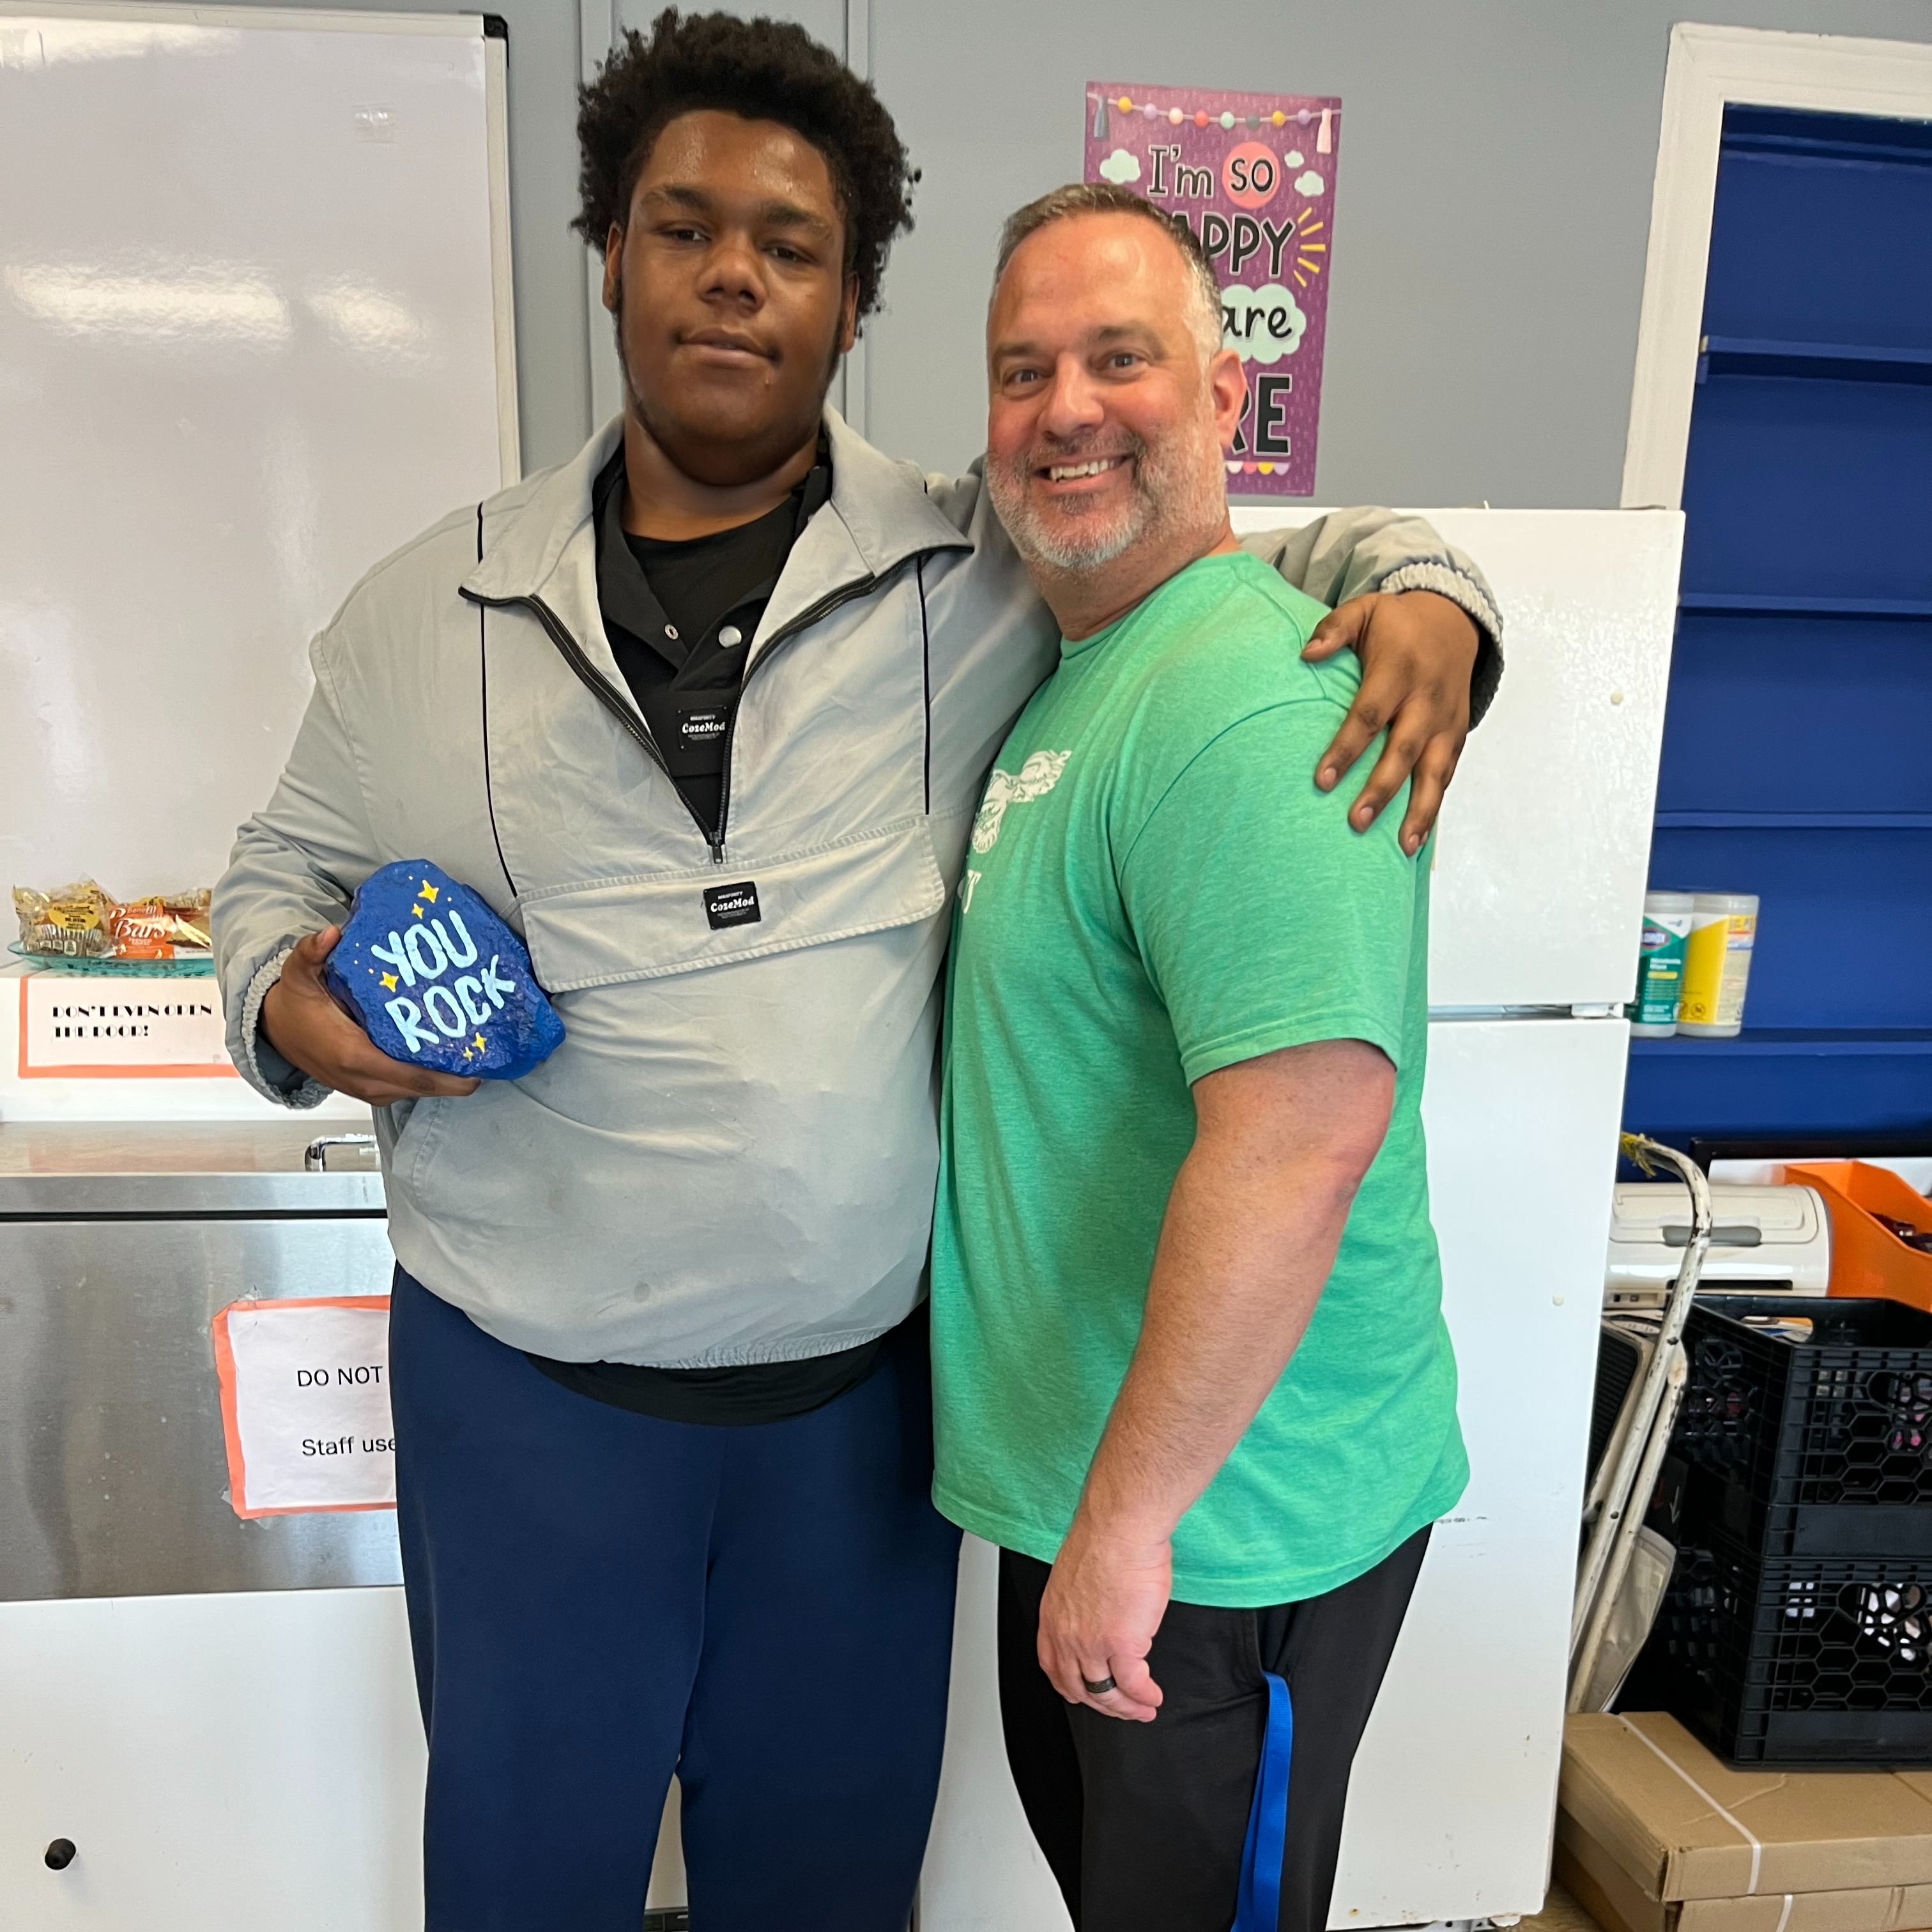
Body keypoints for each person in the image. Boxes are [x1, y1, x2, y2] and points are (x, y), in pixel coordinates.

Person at [210, 15, 1497, 1932]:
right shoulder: (427, 611)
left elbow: (1237, 557)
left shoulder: (976, 561)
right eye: (682, 228)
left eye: (791, 245)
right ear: (616, 257)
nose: (734, 275)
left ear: (851, 298)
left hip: (864, 1425)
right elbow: (268, 877)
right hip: (526, 1404)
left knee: (820, 1882)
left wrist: (1435, 593)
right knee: (520, 1871)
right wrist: (291, 1010)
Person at [929, 180, 1470, 1932]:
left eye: (1119, 358)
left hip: (1224, 1540)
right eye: (1024, 372)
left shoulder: (1242, 705)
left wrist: (1126, 1528)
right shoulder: (1087, 669)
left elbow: (1302, 1142)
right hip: (1114, 1500)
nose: (1066, 409)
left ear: (1224, 398)